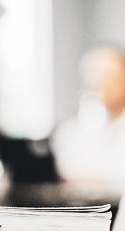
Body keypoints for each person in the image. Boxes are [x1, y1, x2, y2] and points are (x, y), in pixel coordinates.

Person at [51, 46, 125, 191]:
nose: (102, 84)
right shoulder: (69, 132)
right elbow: (68, 172)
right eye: (96, 76)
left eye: (111, 76)